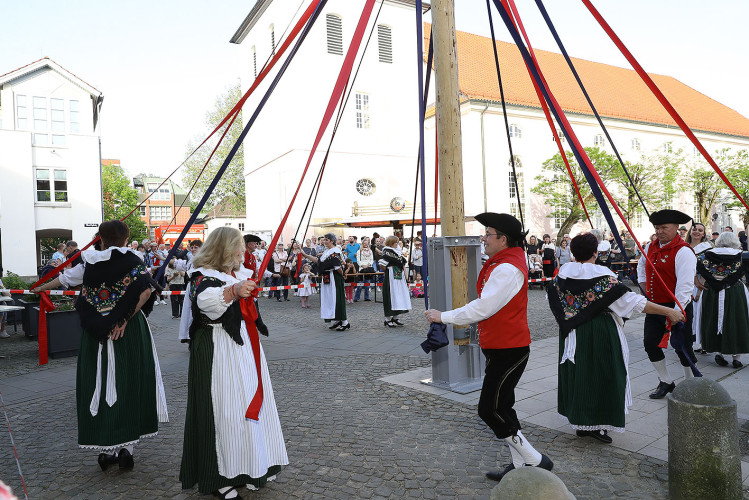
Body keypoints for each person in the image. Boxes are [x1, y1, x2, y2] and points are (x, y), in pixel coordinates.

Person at [425, 213, 553, 482]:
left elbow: (484, 307)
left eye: (488, 234)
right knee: (503, 406)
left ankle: (534, 459)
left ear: (503, 239)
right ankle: (521, 463)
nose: (483, 238)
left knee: (489, 409)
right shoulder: (505, 261)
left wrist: (443, 316)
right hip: (501, 346)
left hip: (510, 348)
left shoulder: (507, 267)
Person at [33, 220, 168, 471]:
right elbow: (146, 292)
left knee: (99, 379)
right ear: (126, 240)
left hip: (96, 329)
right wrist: (123, 319)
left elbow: (63, 280)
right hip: (128, 331)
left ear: (100, 239)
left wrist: (38, 288)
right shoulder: (134, 259)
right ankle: (128, 447)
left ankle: (107, 449)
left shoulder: (89, 261)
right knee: (130, 380)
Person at [180, 227, 288, 498]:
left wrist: (240, 287)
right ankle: (216, 477)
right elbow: (207, 302)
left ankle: (246, 467)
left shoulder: (234, 274)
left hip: (243, 349)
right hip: (217, 349)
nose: (243, 252)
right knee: (223, 409)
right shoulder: (203, 276)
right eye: (239, 247)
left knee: (244, 405)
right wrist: (234, 291)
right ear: (226, 249)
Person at [548, 233, 684, 443]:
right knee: (604, 374)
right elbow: (633, 303)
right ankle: (595, 423)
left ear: (573, 253)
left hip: (571, 333)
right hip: (599, 331)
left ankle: (581, 420)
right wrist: (669, 312)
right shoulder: (602, 277)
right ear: (596, 252)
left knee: (579, 373)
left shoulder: (563, 275)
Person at [637, 210, 698, 399]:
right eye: (657, 228)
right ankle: (666, 380)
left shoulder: (684, 251)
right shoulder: (650, 247)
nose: (660, 231)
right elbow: (641, 269)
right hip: (655, 305)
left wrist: (676, 312)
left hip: (678, 305)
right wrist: (646, 291)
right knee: (650, 344)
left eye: (664, 227)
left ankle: (690, 384)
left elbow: (685, 286)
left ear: (676, 228)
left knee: (682, 346)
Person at [696, 232, 749, 368]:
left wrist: (696, 282)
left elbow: (694, 267)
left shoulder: (706, 255)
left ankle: (718, 353)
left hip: (711, 291)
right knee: (735, 320)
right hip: (735, 290)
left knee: (713, 318)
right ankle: (736, 357)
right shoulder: (742, 255)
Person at [303, 233, 350, 331]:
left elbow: (338, 267)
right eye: (324, 240)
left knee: (337, 298)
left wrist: (341, 275)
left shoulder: (336, 250)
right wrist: (305, 255)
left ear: (332, 241)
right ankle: (336, 319)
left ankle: (344, 322)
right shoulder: (326, 252)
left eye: (326, 240)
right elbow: (317, 260)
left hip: (334, 277)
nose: (324, 241)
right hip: (327, 277)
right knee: (329, 299)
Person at [686, 222, 713, 354]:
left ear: (703, 234)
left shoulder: (706, 248)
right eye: (694, 229)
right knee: (687, 313)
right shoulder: (684, 246)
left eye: (700, 230)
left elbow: (709, 267)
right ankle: (687, 340)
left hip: (701, 284)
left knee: (700, 312)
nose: (697, 232)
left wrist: (699, 284)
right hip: (686, 283)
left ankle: (701, 342)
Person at [379, 236, 411, 327]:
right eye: (395, 242)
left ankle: (396, 317)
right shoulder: (387, 251)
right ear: (391, 243)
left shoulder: (398, 252)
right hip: (391, 277)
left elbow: (403, 265)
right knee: (391, 296)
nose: (397, 244)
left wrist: (406, 276)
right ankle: (388, 319)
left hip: (399, 277)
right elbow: (382, 264)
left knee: (398, 296)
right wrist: (388, 270)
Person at [354, 238, 374, 302]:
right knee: (359, 284)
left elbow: (371, 260)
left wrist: (368, 265)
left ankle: (367, 297)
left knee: (367, 283)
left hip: (368, 268)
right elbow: (358, 260)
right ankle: (356, 297)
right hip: (361, 268)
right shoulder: (359, 251)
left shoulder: (370, 251)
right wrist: (362, 266)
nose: (365, 244)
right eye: (364, 243)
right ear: (362, 244)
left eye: (367, 243)